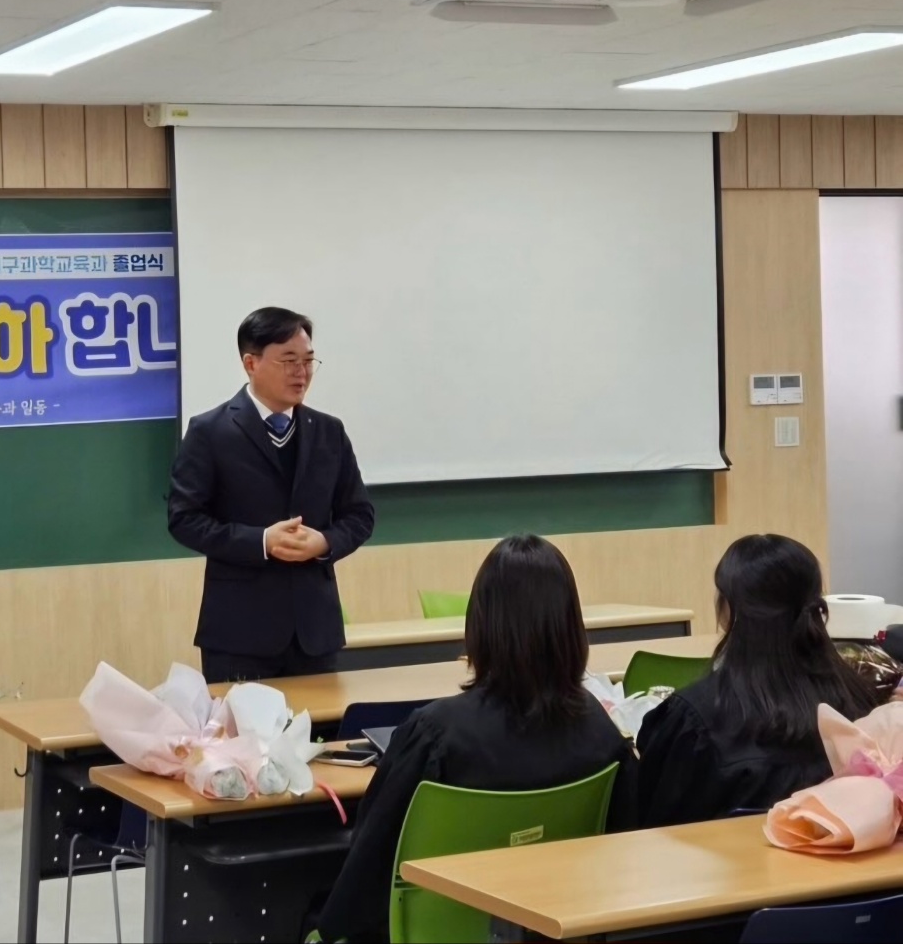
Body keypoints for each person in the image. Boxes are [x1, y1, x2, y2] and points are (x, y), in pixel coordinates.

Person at [315, 535, 637, 944]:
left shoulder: (435, 734)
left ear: (480, 624)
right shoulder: (600, 731)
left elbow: (370, 864)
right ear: (571, 625)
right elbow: (627, 849)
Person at [168, 307, 374, 683]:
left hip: (315, 633)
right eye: (289, 361)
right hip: (239, 634)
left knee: (322, 724)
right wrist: (261, 541)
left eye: (308, 361)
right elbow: (184, 519)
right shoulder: (210, 431)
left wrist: (324, 542)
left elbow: (359, 515)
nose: (301, 372)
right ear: (251, 363)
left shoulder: (328, 431)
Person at [637, 534, 882, 828]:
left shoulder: (694, 719)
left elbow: (650, 826)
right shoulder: (861, 701)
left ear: (729, 610)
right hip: (845, 856)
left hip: (719, 858)